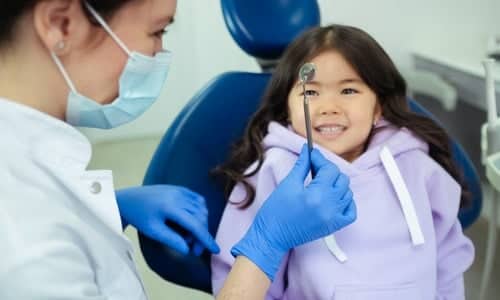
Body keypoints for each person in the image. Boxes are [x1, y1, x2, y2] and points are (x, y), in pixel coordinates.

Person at [0, 1, 356, 299]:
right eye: (157, 31)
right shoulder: (28, 245)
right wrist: (267, 243)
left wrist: (108, 207)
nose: (159, 53)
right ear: (61, 24)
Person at [212, 24, 475, 299]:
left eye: (348, 91)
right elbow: (241, 275)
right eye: (310, 93)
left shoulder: (418, 166)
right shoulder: (274, 172)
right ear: (287, 108)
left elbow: (449, 259)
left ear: (378, 107)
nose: (329, 107)